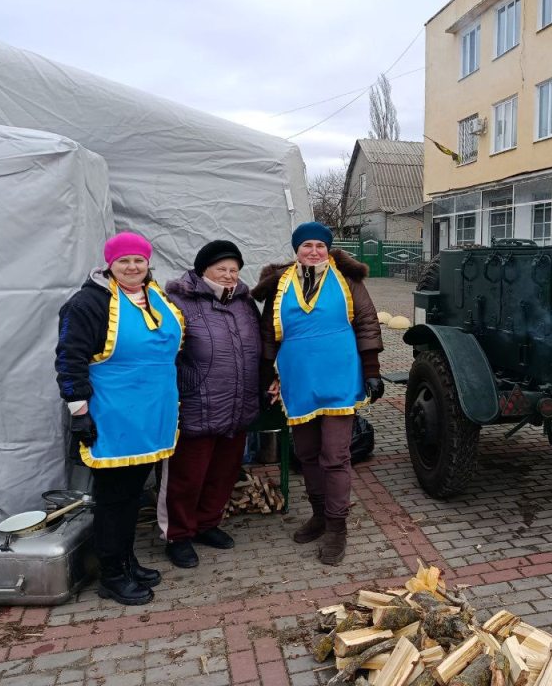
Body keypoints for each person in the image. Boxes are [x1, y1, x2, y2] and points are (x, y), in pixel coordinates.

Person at [55, 232, 184, 605]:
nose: (132, 267)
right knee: (113, 499)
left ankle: (127, 562)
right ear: (109, 264)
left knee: (131, 496)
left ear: (148, 263)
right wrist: (79, 412)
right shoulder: (87, 304)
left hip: (153, 414)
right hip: (113, 417)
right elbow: (69, 359)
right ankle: (111, 574)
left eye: (139, 260)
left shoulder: (155, 297)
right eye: (123, 260)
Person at [252, 222, 384, 566]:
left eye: (320, 246)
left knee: (335, 455)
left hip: (339, 378)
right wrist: (267, 377)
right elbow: (268, 334)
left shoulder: (347, 279)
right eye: (306, 246)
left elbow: (367, 322)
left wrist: (372, 371)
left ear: (328, 249)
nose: (314, 251)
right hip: (298, 380)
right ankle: (320, 515)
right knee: (307, 453)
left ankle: (337, 528)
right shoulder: (280, 283)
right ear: (296, 250)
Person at [159, 240, 262, 568]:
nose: (229, 275)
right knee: (186, 477)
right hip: (196, 404)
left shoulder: (245, 302)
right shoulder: (178, 301)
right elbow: (164, 353)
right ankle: (178, 535)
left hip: (237, 405)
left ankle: (206, 523)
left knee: (223, 473)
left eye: (234, 269)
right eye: (222, 269)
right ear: (203, 269)